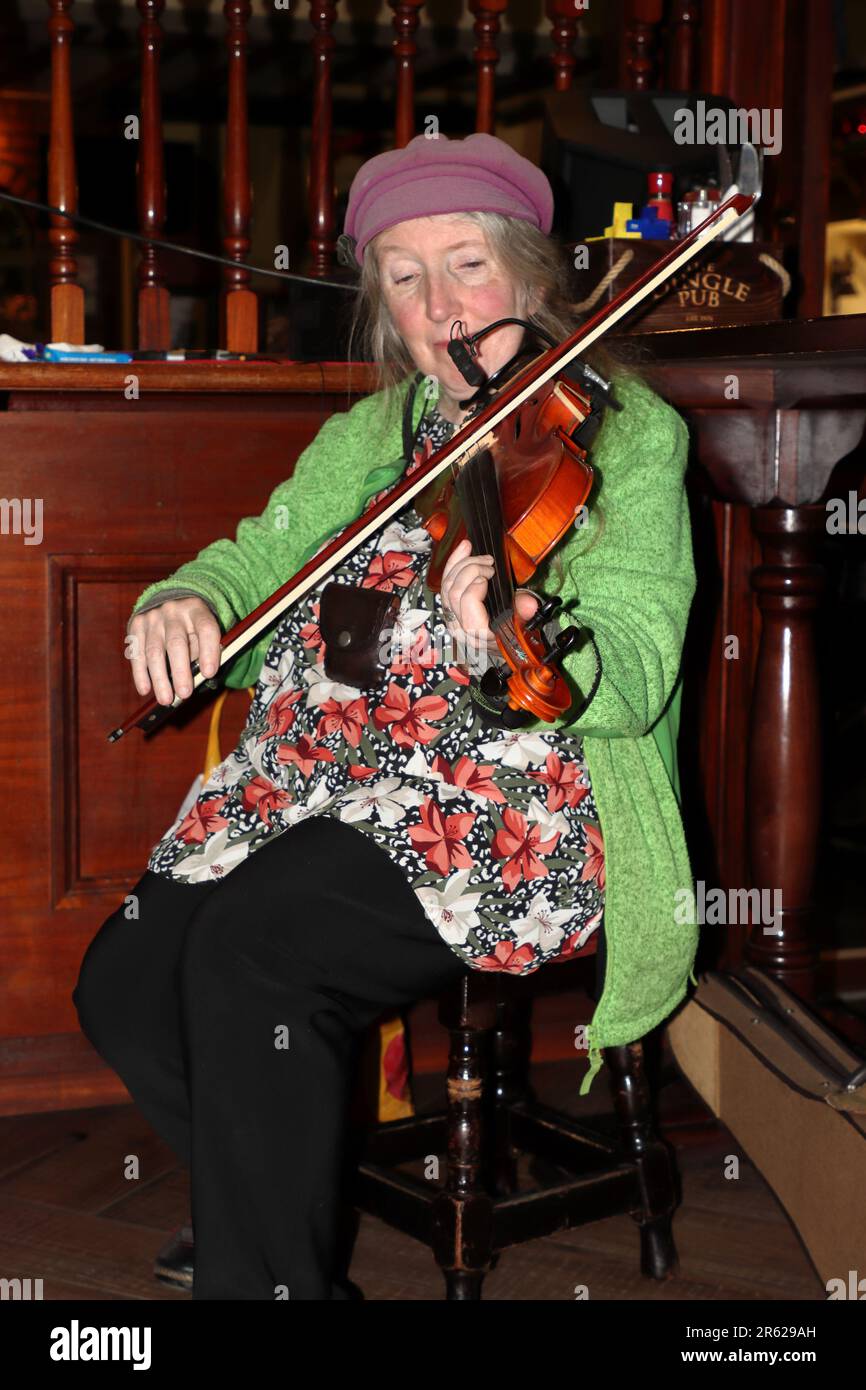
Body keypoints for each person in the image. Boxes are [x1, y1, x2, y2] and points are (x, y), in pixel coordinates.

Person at [72, 132, 698, 1301]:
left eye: (464, 264)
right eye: (402, 278)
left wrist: (519, 631)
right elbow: (255, 552)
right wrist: (184, 601)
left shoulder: (624, 434)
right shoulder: (368, 440)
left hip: (512, 805)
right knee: (123, 980)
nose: (438, 304)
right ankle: (263, 1194)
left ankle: (269, 1278)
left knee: (252, 954)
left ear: (527, 274)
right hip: (321, 782)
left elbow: (640, 658)